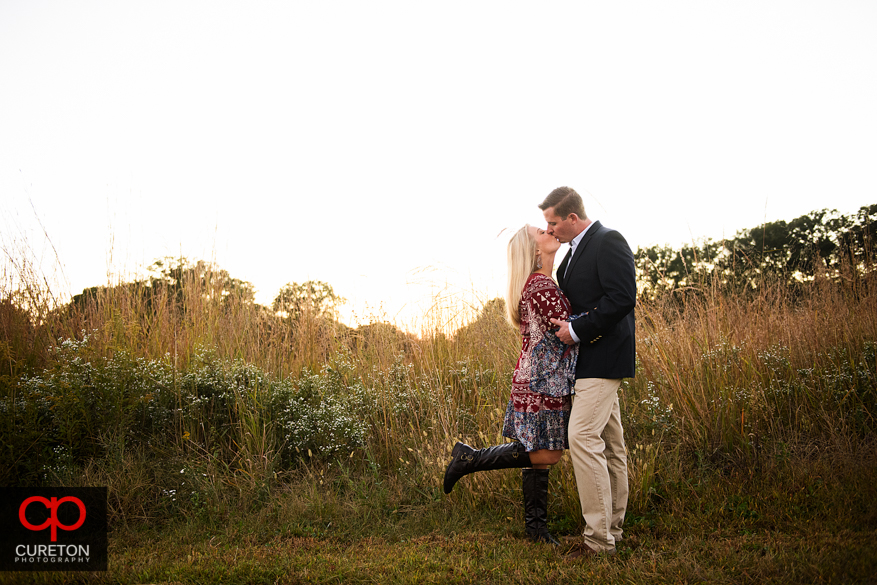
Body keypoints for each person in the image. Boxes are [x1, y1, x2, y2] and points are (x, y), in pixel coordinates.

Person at [443, 224, 577, 545]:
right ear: (534, 251)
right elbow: (570, 332)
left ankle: (536, 531)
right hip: (542, 382)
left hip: (536, 378)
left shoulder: (537, 284)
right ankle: (471, 459)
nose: (551, 230)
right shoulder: (541, 288)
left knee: (539, 453)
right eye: (542, 231)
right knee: (548, 454)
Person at [538, 186, 637, 558]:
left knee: (580, 436)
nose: (550, 230)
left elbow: (622, 297)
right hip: (586, 360)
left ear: (572, 218)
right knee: (611, 446)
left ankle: (597, 542)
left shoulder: (608, 240)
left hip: (606, 354)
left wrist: (576, 330)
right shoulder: (569, 257)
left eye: (553, 223)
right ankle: (612, 531)